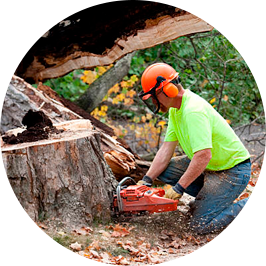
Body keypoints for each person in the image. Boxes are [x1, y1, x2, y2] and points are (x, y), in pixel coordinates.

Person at [137, 62, 266, 234]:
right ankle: (210, 201)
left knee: (198, 226)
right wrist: (146, 180)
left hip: (232, 171)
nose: (153, 101)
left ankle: (254, 206)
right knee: (164, 170)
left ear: (168, 90)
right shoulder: (176, 109)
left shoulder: (193, 111)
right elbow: (165, 151)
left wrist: (179, 188)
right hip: (210, 167)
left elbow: (204, 155)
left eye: (154, 96)